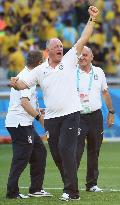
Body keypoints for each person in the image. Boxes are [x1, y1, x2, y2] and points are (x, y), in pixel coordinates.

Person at [10, 6, 99, 201]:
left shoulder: (69, 60)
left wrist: (92, 19)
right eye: (56, 46)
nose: (60, 48)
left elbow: (83, 38)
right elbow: (24, 84)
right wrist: (16, 84)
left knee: (67, 150)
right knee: (58, 155)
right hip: (51, 118)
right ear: (48, 51)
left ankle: (71, 192)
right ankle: (69, 185)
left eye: (61, 46)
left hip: (70, 114)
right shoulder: (40, 70)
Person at [5, 50, 52, 199]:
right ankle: (12, 193)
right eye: (44, 62)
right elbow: (24, 103)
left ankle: (36, 189)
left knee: (39, 153)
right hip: (20, 123)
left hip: (23, 123)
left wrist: (38, 110)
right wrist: (40, 117)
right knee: (21, 158)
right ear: (39, 63)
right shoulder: (27, 77)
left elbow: (26, 102)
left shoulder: (26, 75)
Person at [76, 46, 114, 192]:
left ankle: (91, 184)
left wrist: (111, 111)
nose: (82, 57)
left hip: (95, 116)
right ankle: (71, 184)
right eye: (80, 55)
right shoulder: (72, 72)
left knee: (94, 150)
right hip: (77, 116)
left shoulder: (99, 72)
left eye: (85, 55)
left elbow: (105, 92)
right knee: (76, 151)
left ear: (92, 57)